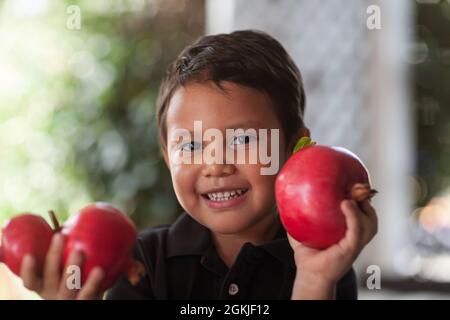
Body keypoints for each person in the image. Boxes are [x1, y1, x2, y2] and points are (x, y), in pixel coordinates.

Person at [19, 30, 377, 300]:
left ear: (295, 147)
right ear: (167, 158)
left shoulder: (323, 265)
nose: (215, 165)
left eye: (242, 140)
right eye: (190, 145)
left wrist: (314, 283)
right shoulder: (143, 261)